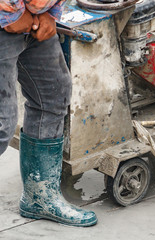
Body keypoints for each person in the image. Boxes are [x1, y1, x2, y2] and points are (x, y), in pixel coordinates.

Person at [0, 0, 97, 226]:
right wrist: (14, 14)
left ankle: (39, 198)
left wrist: (51, 13)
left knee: (53, 95)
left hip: (33, 20)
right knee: (2, 124)